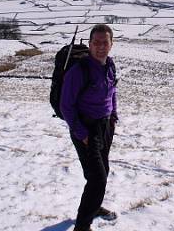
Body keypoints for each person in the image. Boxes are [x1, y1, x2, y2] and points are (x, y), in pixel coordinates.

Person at [61, 24, 118, 231]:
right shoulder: (79, 70)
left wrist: (113, 115)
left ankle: (93, 206)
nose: (101, 47)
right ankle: (82, 226)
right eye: (96, 42)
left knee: (99, 173)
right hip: (85, 128)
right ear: (89, 44)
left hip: (105, 127)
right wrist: (81, 133)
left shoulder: (109, 65)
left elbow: (112, 91)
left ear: (111, 44)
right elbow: (65, 105)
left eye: (105, 42)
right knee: (98, 177)